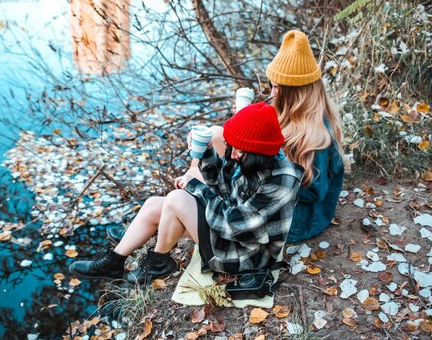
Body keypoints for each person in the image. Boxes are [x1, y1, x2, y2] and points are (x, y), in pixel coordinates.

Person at [69, 102, 303, 284]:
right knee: (153, 204)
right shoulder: (250, 159)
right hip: (232, 232)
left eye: (239, 152)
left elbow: (234, 226)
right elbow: (222, 189)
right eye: (233, 149)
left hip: (247, 255)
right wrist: (207, 155)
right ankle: (114, 261)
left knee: (177, 199)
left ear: (258, 151)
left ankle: (158, 262)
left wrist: (195, 188)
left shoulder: (282, 180)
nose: (232, 155)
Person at [206, 30, 347, 244]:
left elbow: (315, 193)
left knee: (198, 197)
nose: (271, 92)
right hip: (268, 197)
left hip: (296, 220)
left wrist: (269, 160)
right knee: (216, 134)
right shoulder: (284, 112)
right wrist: (243, 125)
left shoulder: (317, 134)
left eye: (276, 87)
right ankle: (219, 197)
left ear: (294, 95)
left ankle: (219, 208)